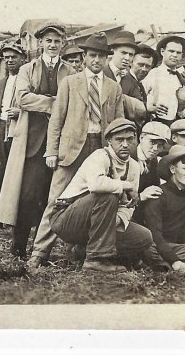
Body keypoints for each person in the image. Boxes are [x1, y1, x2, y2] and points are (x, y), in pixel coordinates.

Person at [27, 32, 124, 268]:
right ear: (84, 57)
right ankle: (39, 253)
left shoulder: (113, 88)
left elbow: (119, 123)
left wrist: (118, 154)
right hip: (71, 150)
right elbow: (56, 119)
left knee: (95, 199)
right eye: (92, 56)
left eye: (101, 57)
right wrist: (51, 151)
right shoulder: (70, 83)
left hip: (100, 149)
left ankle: (82, 250)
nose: (96, 61)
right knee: (57, 199)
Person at [0, 23, 76, 258]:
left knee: (49, 196)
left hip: (59, 142)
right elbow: (22, 99)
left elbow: (73, 99)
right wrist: (54, 103)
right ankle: (18, 245)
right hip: (32, 141)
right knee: (27, 193)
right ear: (40, 43)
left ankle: (40, 249)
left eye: (57, 41)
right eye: (48, 41)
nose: (52, 45)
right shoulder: (27, 69)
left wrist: (51, 104)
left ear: (62, 44)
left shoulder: (70, 72)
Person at [49, 119, 154, 273]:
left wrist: (114, 220)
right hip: (67, 219)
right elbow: (96, 185)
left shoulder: (134, 166)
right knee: (107, 195)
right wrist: (126, 185)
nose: (125, 144)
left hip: (99, 223)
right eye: (119, 140)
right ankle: (95, 260)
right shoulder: (100, 156)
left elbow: (129, 206)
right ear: (109, 141)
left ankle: (84, 250)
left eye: (130, 139)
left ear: (136, 139)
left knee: (144, 237)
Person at [142, 145, 185, 273]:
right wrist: (175, 260)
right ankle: (172, 264)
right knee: (148, 250)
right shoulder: (158, 194)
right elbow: (155, 234)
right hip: (157, 245)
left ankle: (165, 265)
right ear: (173, 169)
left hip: (175, 247)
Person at [0, 39, 27, 236]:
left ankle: (13, 218)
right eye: (7, 58)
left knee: (16, 176)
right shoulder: (0, 84)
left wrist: (20, 112)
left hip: (18, 132)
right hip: (0, 131)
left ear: (23, 59)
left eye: (14, 57)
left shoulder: (28, 81)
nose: (10, 61)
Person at [141, 35, 185, 125]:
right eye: (171, 51)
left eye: (178, 53)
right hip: (154, 124)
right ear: (162, 51)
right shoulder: (152, 74)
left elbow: (183, 114)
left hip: (174, 126)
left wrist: (182, 102)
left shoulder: (182, 80)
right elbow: (139, 100)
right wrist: (150, 107)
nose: (174, 55)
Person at [131, 121, 172, 223]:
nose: (155, 149)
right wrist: (141, 196)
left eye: (160, 145)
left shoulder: (154, 161)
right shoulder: (128, 157)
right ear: (141, 138)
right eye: (152, 142)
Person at [119, 44, 154, 131]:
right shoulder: (126, 82)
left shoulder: (138, 83)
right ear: (131, 63)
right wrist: (148, 109)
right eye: (140, 64)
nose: (144, 69)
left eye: (148, 66)